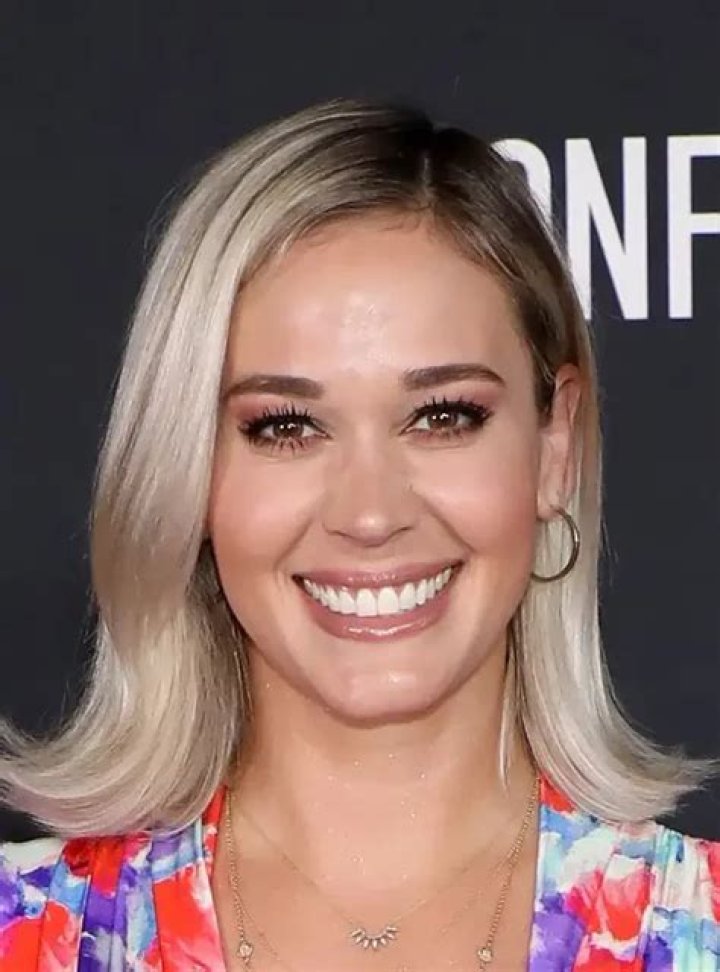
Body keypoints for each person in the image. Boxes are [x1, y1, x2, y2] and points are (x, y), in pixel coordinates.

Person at [1, 99, 718, 972]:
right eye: (286, 427)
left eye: (443, 416)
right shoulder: (27, 935)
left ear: (554, 445)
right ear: (185, 466)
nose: (371, 514)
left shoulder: (700, 929)